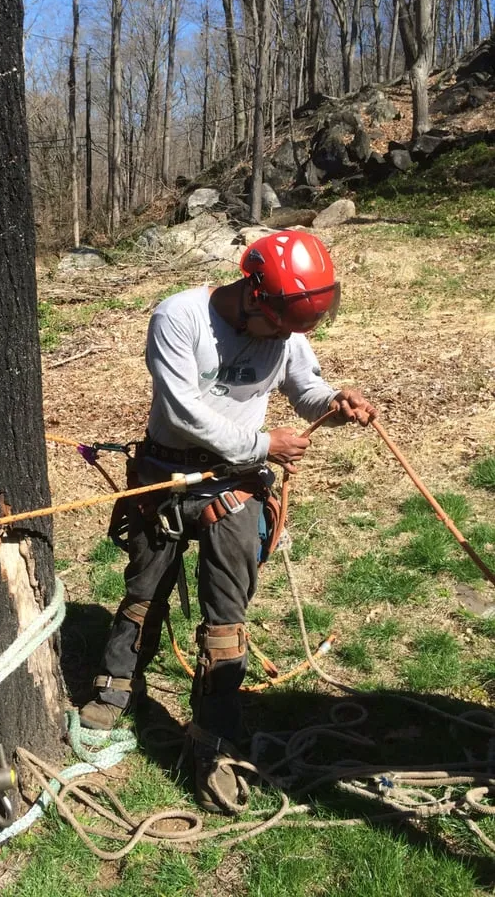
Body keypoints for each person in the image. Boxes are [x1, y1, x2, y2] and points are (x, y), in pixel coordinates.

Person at [79, 229, 376, 814]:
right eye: (281, 323)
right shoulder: (179, 317)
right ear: (253, 293)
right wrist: (264, 443)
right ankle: (117, 682)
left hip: (236, 489)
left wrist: (335, 402)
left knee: (226, 612)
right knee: (144, 588)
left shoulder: (285, 330)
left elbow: (305, 387)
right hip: (167, 475)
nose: (286, 338)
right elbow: (181, 410)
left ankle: (212, 734)